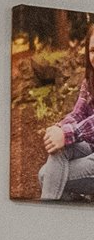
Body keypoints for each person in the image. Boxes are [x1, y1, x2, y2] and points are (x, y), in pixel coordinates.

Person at [39, 26, 94, 200]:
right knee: (48, 170)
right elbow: (79, 113)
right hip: (91, 148)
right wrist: (57, 128)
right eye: (93, 50)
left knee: (47, 177)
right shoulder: (90, 81)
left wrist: (67, 133)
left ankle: (45, 220)